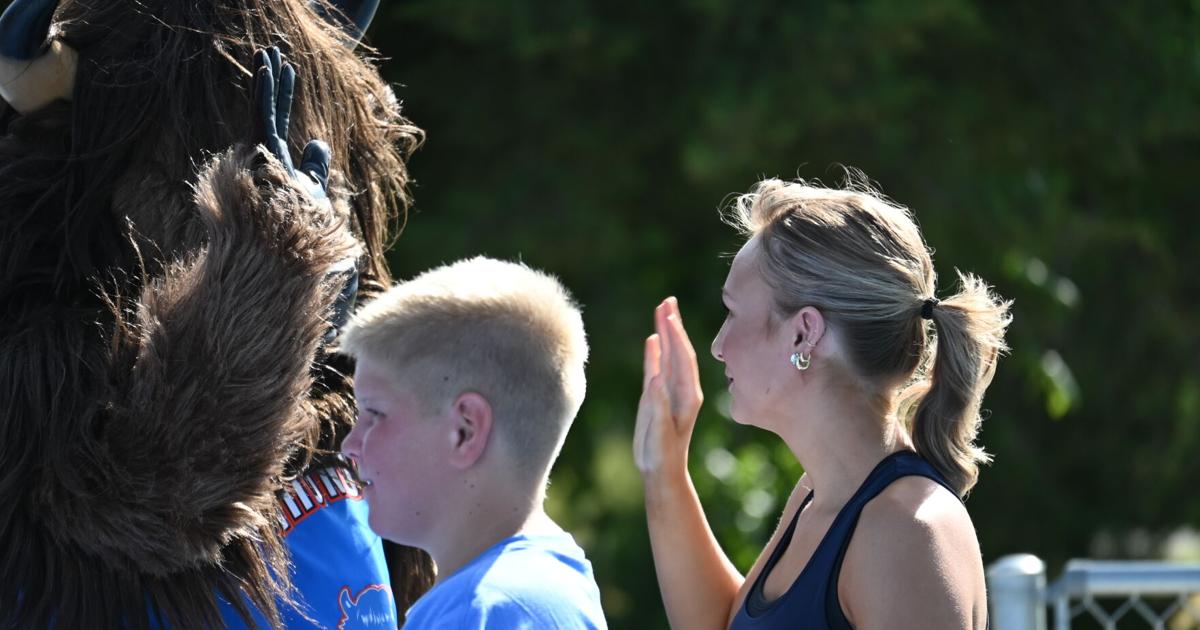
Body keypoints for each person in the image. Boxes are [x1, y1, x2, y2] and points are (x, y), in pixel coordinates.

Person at [634, 175, 1011, 629]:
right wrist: (665, 470)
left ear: (804, 333)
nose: (717, 345)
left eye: (733, 312)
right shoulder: (818, 496)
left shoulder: (906, 532)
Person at [339, 256, 609, 629]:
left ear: (465, 430)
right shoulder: (546, 586)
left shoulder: (479, 611)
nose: (350, 445)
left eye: (374, 413)